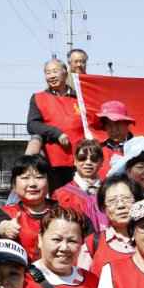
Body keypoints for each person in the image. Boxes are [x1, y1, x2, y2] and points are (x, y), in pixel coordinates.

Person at [27, 58, 83, 190]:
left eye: (55, 71)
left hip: (81, 159)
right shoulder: (38, 98)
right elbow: (32, 125)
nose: (51, 76)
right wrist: (56, 133)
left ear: (65, 73)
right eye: (48, 73)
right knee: (59, 197)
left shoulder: (80, 97)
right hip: (55, 161)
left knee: (83, 198)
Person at [0, 155, 58, 262]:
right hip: (21, 272)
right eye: (25, 178)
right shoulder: (6, 213)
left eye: (39, 177)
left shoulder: (63, 211)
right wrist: (5, 228)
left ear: (49, 182)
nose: (32, 184)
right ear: (14, 185)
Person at [80, 174, 142, 275]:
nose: (121, 205)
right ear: (103, 208)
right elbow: (82, 281)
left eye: (126, 198)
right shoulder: (92, 244)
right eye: (112, 201)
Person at [52, 139, 108, 232]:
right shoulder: (60, 195)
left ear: (101, 162)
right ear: (75, 161)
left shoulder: (109, 191)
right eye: (82, 158)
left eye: (94, 159)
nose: (88, 162)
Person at [96, 100, 136, 179]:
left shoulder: (140, 147)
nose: (114, 129)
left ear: (127, 123)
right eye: (109, 125)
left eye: (117, 123)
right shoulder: (98, 151)